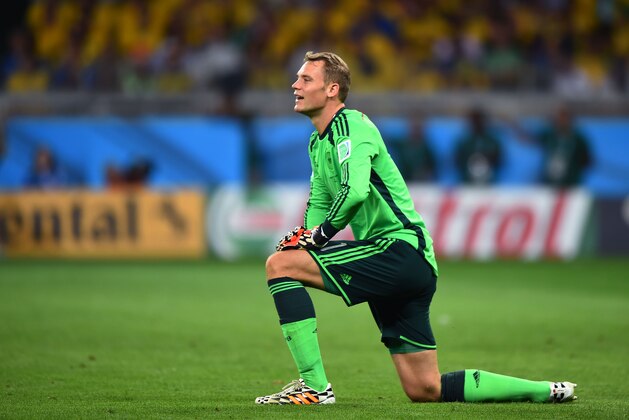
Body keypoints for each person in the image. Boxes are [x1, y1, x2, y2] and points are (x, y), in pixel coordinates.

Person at [256, 51, 577, 405]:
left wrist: (318, 237)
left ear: (332, 89)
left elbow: (355, 192)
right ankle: (545, 390)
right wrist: (307, 236)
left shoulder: (353, 126)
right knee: (425, 389)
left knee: (279, 265)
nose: (295, 85)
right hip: (409, 263)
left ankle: (314, 387)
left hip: (399, 249)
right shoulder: (318, 143)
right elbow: (319, 200)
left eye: (305, 79)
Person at [538, 107, 592, 188]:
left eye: (564, 119)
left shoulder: (578, 139)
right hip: (550, 183)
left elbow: (587, 160)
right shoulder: (550, 136)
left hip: (571, 184)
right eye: (558, 119)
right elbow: (529, 139)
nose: (561, 122)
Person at [454, 107, 502, 185]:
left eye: (479, 121)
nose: (477, 123)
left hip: (488, 185)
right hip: (467, 184)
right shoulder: (464, 142)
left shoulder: (493, 142)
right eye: (474, 121)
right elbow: (457, 162)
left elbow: (499, 162)